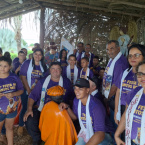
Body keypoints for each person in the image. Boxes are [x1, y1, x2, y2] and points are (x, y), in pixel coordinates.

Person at [23, 62, 75, 145]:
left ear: (61, 70)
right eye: (53, 68)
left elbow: (72, 98)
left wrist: (70, 110)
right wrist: (29, 109)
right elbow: (32, 96)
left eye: (58, 68)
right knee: (30, 120)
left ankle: (57, 139)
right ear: (50, 70)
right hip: (42, 109)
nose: (55, 71)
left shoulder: (66, 82)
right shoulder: (42, 81)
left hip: (60, 111)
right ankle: (38, 139)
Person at [59, 78, 114, 145]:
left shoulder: (96, 106)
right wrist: (67, 107)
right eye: (75, 88)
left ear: (87, 90)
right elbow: (75, 117)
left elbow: (100, 133)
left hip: (104, 135)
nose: (76, 91)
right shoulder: (76, 101)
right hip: (86, 131)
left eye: (80, 89)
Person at [114, 44, 145, 142]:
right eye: (130, 55)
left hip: (140, 110)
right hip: (126, 108)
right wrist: (116, 112)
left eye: (136, 55)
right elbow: (118, 91)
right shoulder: (125, 73)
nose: (133, 58)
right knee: (126, 136)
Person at [18, 48, 47, 136]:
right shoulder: (27, 63)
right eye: (36, 54)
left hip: (39, 92)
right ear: (33, 54)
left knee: (37, 108)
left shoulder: (44, 66)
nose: (37, 56)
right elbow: (23, 77)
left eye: (39, 54)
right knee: (25, 107)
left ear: (42, 56)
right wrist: (29, 90)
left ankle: (34, 125)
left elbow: (45, 79)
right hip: (27, 90)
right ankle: (20, 126)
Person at [0, 56, 24, 145]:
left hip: (11, 109)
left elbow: (21, 90)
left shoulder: (14, 77)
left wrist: (13, 94)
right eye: (0, 65)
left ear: (10, 66)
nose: (2, 68)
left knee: (9, 128)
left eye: (5, 66)